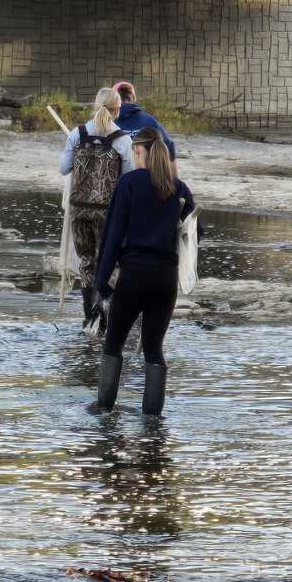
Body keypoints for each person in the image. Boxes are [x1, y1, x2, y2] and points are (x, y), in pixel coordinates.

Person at [94, 127, 200, 416]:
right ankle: (152, 421)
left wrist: (101, 282)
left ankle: (103, 411)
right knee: (154, 349)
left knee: (113, 344)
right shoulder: (179, 188)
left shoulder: (128, 183)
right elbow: (195, 232)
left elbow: (112, 235)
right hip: (166, 280)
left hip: (134, 276)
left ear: (138, 150)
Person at [59, 87, 132, 331]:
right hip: (107, 213)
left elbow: (63, 169)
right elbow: (129, 178)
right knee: (108, 261)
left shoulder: (77, 134)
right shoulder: (122, 139)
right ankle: (103, 306)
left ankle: (88, 317)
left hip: (79, 210)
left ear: (94, 107)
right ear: (117, 110)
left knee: (86, 261)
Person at [113, 81, 179, 177]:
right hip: (146, 178)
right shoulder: (148, 120)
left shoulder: (107, 121)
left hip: (115, 180)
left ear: (113, 100)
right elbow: (169, 146)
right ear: (134, 99)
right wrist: (177, 181)